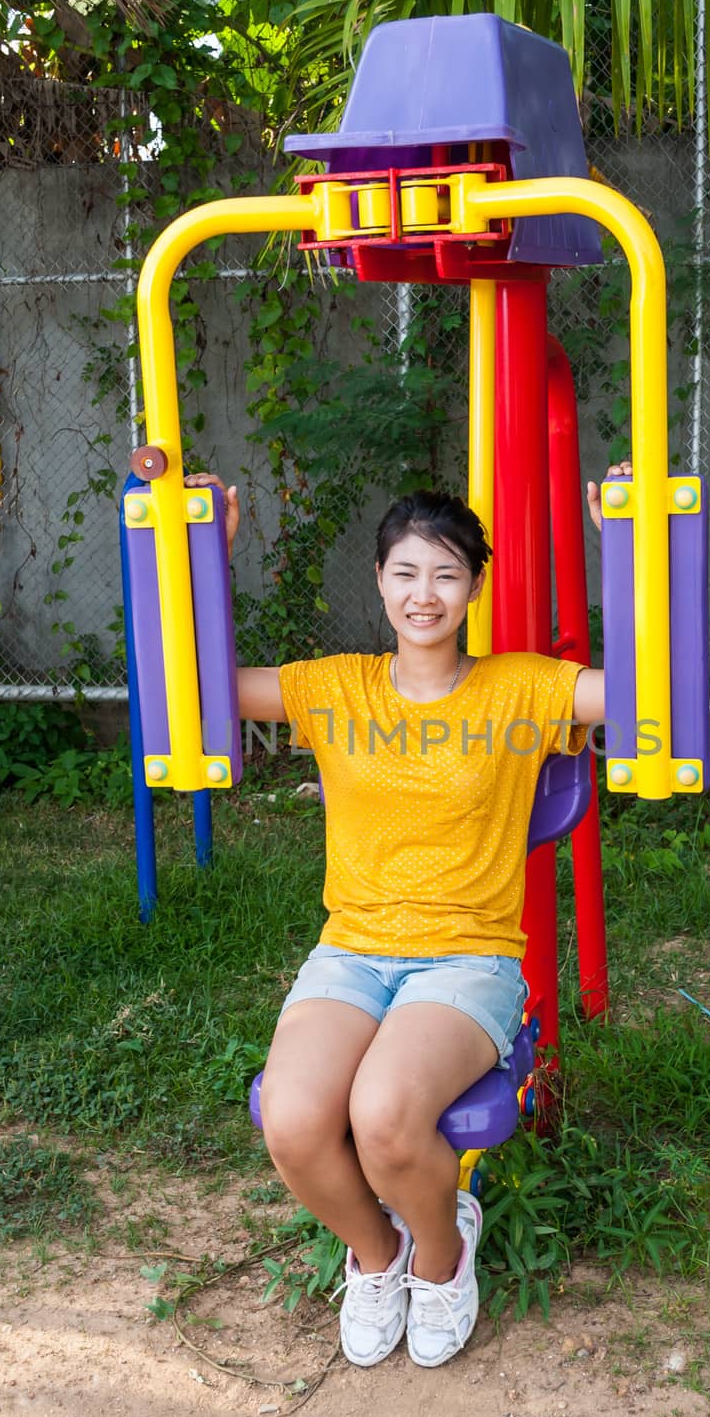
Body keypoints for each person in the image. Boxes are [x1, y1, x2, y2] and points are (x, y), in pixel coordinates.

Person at [186, 468, 619, 1369]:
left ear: (474, 587)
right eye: (407, 573)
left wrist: (626, 546)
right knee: (295, 1122)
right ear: (379, 581)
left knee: (384, 1116)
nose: (425, 595)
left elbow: (647, 697)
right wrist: (201, 557)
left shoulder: (522, 691)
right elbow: (195, 686)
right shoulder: (335, 689)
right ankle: (376, 1258)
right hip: (352, 951)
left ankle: (440, 1255)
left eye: (447, 574)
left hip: (467, 960)